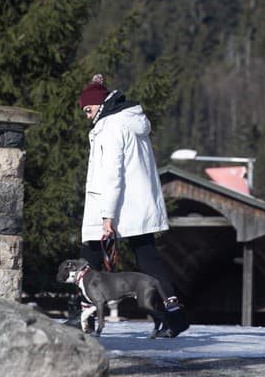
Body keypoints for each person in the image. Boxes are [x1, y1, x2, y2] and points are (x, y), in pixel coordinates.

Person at [71, 73, 188, 337]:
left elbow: (111, 174)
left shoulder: (112, 126)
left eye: (88, 109)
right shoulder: (130, 121)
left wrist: (106, 216)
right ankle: (174, 314)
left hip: (116, 205)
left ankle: (84, 318)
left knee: (89, 254)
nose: (86, 116)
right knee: (148, 257)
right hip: (137, 206)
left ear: (100, 105)